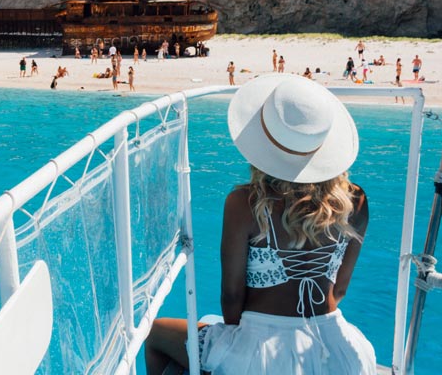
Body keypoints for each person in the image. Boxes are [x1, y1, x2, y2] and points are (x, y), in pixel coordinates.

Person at [145, 74, 375, 375]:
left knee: (155, 333)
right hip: (335, 348)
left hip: (260, 350)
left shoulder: (246, 202)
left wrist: (237, 343)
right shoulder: (355, 200)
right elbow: (340, 288)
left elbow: (231, 297)